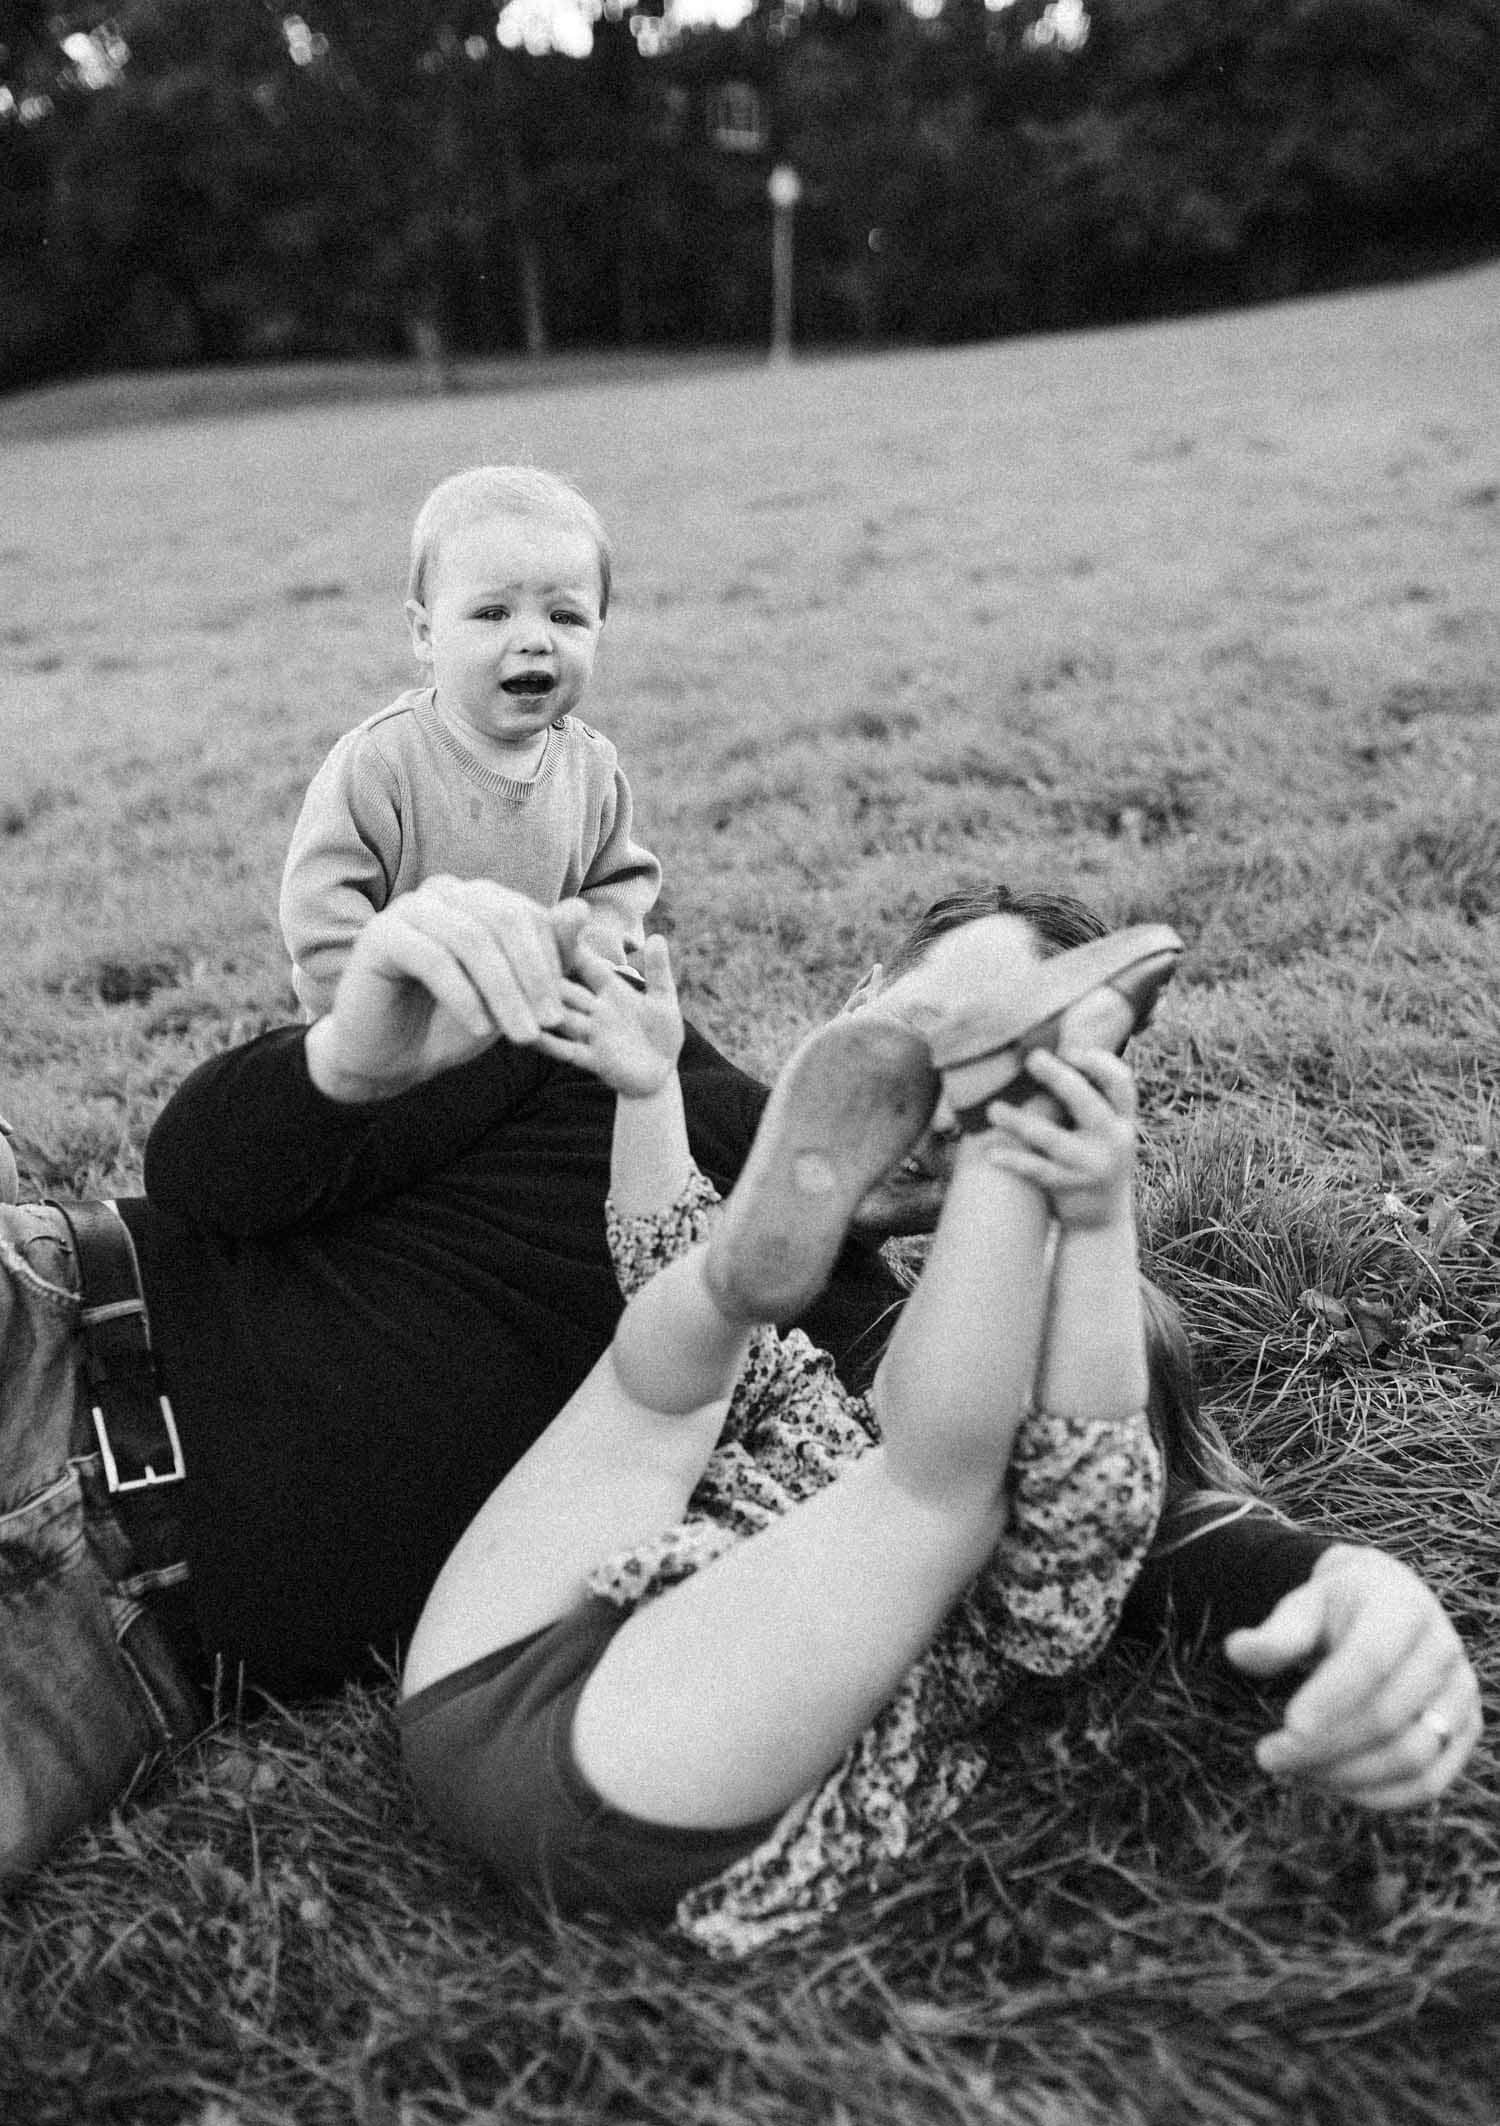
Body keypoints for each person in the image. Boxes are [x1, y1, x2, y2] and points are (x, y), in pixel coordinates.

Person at [0, 879, 1479, 1887]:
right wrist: (350, 1054)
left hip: (130, 1636)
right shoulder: (611, 1047)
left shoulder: (865, 1369)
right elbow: (207, 1175)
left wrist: (1350, 1582)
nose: (945, 1126)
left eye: (1000, 1103)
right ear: (861, 997)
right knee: (692, 1319)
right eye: (936, 1051)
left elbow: (1105, 1501)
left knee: (799, 1404)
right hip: (70, 1312)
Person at [278, 465, 660, 1016]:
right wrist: (403, 999)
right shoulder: (383, 762)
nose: (534, 639)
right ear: (425, 634)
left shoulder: (591, 765)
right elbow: (322, 918)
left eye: (565, 616)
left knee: (685, 1071)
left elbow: (615, 892)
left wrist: (590, 974)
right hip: (400, 1042)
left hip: (542, 1024)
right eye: (492, 613)